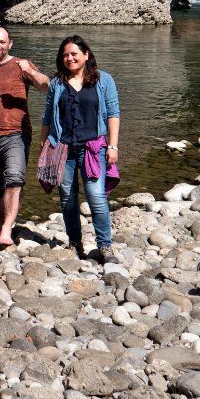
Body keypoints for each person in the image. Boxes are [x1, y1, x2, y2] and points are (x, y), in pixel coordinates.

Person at [40, 35, 121, 264]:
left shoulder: (103, 80)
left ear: (86, 55)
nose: (69, 58)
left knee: (96, 197)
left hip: (93, 148)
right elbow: (47, 116)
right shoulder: (57, 83)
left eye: (74, 54)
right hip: (62, 148)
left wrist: (113, 145)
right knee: (68, 199)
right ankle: (75, 243)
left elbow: (113, 114)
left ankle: (104, 246)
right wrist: (44, 145)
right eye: (65, 54)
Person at [0, 26, 50, 248]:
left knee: (14, 179)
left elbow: (46, 86)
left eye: (1, 41)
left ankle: (7, 230)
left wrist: (31, 71)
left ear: (10, 44)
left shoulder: (21, 65)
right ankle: (5, 225)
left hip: (16, 134)